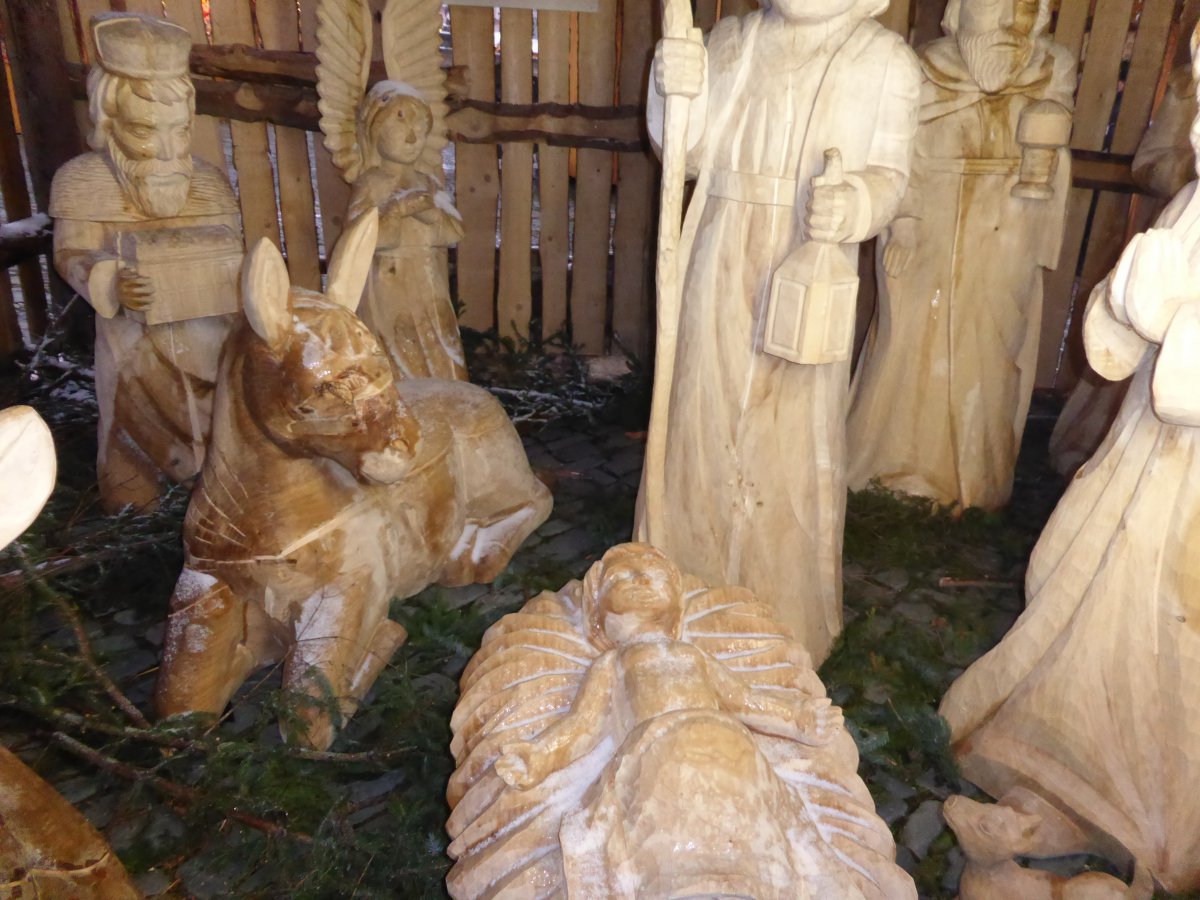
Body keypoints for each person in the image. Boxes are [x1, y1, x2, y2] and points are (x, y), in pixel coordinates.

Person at [939, 23, 1200, 892]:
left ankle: (1153, 828)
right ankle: (1059, 796)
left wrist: (1172, 327)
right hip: (1141, 477)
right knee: (1092, 623)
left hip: (1190, 518)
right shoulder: (1192, 207)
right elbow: (1115, 354)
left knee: (1170, 667)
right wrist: (1125, 310)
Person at [634, 0, 921, 662]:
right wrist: (675, 92)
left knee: (788, 425)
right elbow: (687, 153)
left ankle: (779, 603)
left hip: (804, 254)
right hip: (720, 244)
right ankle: (686, 575)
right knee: (701, 405)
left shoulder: (882, 60)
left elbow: (892, 174)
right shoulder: (732, 41)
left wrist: (855, 202)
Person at [846, 0, 1074, 511]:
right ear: (960, 11)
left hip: (1008, 227)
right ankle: (892, 467)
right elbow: (897, 152)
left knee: (991, 346)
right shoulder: (925, 68)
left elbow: (1053, 152)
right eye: (993, 6)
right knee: (910, 339)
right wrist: (903, 219)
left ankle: (973, 479)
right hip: (928, 218)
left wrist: (1047, 141)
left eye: (1023, 8)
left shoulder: (1050, 68)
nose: (1009, 22)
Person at [50, 14, 241, 511]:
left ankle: (220, 501)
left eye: (179, 131)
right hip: (131, 345)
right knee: (130, 437)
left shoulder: (209, 183)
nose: (165, 150)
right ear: (107, 122)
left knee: (222, 427)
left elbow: (233, 252)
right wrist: (110, 282)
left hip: (209, 339)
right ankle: (135, 512)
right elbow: (69, 254)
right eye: (143, 130)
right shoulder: (81, 182)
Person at [348, 83, 466, 380]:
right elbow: (359, 239)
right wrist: (397, 210)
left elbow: (454, 233)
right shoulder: (371, 183)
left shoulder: (429, 182)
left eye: (421, 128)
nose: (412, 136)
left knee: (441, 347)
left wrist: (431, 214)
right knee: (398, 352)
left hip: (428, 282)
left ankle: (447, 397)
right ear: (375, 128)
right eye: (400, 122)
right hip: (388, 285)